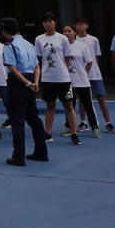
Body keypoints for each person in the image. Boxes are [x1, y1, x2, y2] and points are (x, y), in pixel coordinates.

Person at [0, 17, 48, 167]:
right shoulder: (28, 44)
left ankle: (18, 156)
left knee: (17, 120)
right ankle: (41, 152)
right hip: (31, 80)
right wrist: (35, 82)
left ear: (3, 31)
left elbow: (12, 68)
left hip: (18, 82)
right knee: (34, 118)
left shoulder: (9, 45)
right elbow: (37, 66)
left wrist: (27, 83)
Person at [35, 12, 80, 145]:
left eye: (50, 21)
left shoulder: (62, 38)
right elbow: (39, 58)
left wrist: (63, 70)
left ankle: (74, 133)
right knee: (50, 105)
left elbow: (67, 57)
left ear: (55, 22)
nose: (48, 23)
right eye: (45, 21)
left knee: (69, 105)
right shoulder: (39, 39)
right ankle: (47, 133)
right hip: (48, 78)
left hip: (62, 78)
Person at [74, 19, 115, 133]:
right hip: (80, 75)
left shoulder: (93, 40)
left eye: (81, 24)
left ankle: (108, 123)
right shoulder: (74, 40)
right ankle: (83, 122)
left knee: (101, 98)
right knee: (82, 99)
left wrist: (92, 69)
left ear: (86, 25)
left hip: (94, 74)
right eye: (77, 25)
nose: (79, 26)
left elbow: (96, 57)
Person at [63, 24, 100, 138]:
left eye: (69, 31)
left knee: (88, 105)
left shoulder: (81, 46)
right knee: (69, 105)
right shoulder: (61, 46)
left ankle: (94, 127)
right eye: (64, 31)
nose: (67, 33)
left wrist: (83, 72)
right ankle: (69, 127)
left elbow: (89, 62)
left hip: (82, 81)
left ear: (74, 32)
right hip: (68, 81)